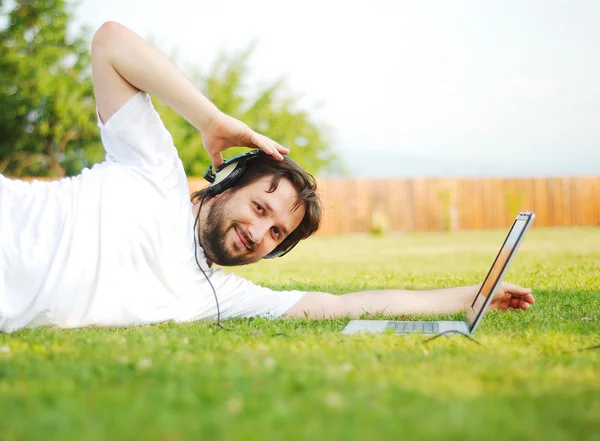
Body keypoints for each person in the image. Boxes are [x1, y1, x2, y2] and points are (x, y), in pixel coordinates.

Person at [0, 22, 535, 333]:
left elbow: (346, 306)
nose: (258, 233)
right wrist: (210, 120)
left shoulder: (216, 296)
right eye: (260, 208)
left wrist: (476, 294)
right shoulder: (153, 170)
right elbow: (110, 42)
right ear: (227, 181)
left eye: (276, 233)